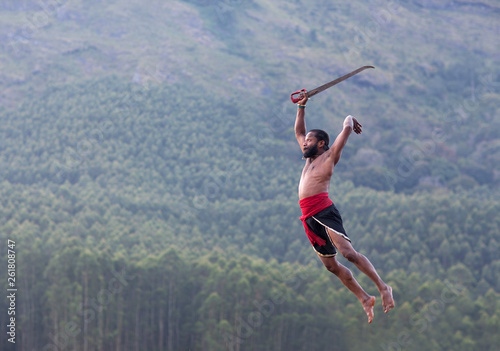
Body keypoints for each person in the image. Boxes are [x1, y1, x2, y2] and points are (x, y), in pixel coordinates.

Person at [294, 95, 394, 323]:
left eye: (310, 140)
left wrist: (349, 118)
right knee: (331, 266)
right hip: (308, 217)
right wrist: (301, 105)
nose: (305, 142)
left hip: (323, 210)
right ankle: (365, 298)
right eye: (305, 140)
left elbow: (346, 127)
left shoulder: (330, 156)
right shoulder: (308, 158)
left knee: (348, 254)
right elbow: (299, 130)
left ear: (321, 143)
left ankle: (383, 287)